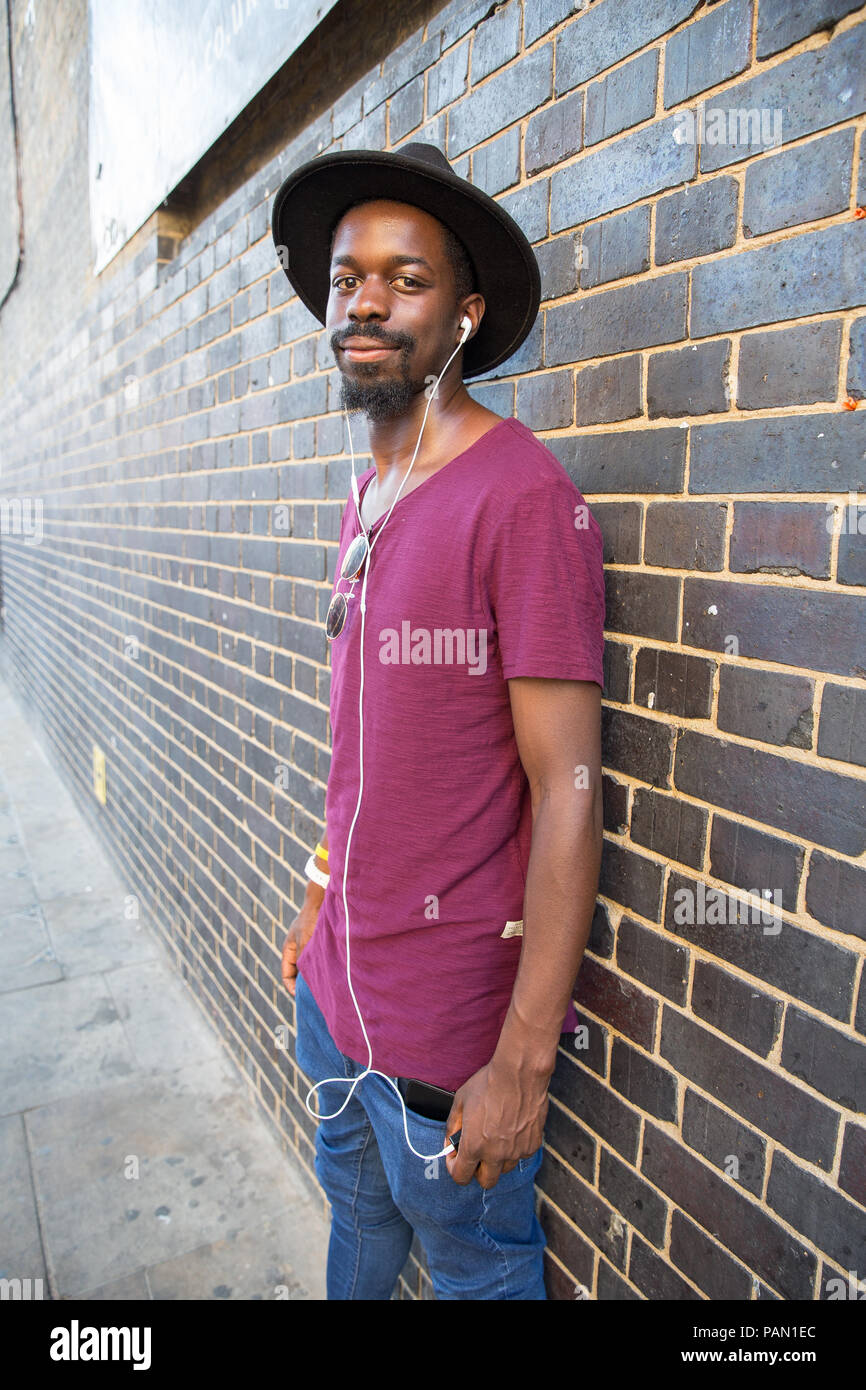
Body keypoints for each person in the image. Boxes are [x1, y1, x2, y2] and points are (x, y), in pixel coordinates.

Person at [270, 143, 605, 1300]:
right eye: (346, 275)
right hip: (335, 998)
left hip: (443, 1042)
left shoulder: (521, 498)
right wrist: (318, 897)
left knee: (473, 1272)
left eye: (403, 278)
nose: (364, 299)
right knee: (355, 1229)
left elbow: (567, 793)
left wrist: (520, 1057)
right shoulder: (371, 487)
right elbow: (371, 745)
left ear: (462, 315)